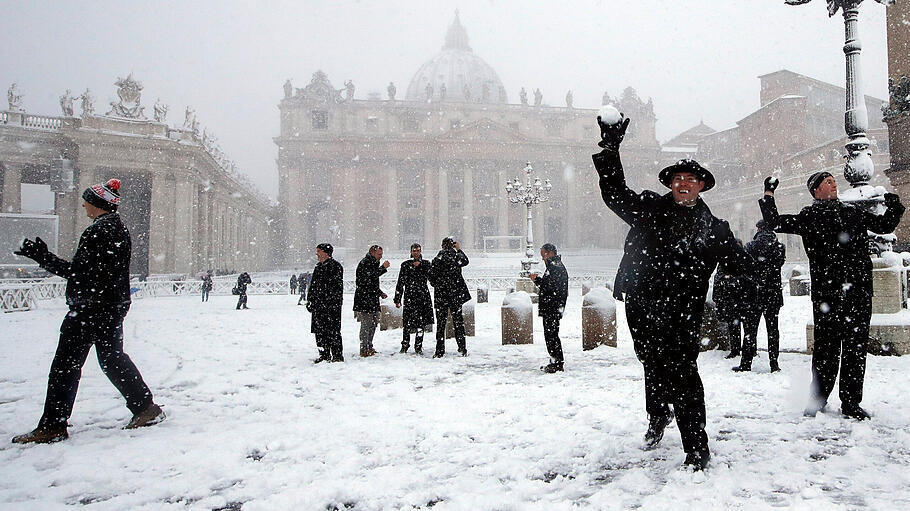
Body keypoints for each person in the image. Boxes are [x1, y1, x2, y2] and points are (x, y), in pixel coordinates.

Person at [594, 113, 752, 471]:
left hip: (683, 313)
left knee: (683, 374)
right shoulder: (650, 210)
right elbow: (616, 195)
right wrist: (609, 149)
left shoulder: (714, 229)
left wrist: (745, 277)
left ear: (700, 186)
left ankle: (696, 447)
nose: (683, 184)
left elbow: (739, 266)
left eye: (690, 180)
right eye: (678, 179)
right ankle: (657, 414)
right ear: (671, 185)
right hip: (643, 306)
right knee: (651, 364)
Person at [11, 178, 164, 444]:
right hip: (111, 305)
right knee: (112, 359)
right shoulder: (118, 228)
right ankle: (145, 407)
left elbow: (79, 273)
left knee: (65, 366)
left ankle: (53, 425)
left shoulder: (98, 231)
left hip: (90, 308)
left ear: (96, 204)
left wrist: (43, 257)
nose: (83, 205)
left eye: (86, 201)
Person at [760, 171, 904, 419]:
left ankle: (851, 402)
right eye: (827, 182)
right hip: (827, 294)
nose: (834, 184)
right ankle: (818, 399)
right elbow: (774, 222)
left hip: (857, 291)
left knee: (855, 350)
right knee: (826, 350)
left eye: (834, 181)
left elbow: (884, 226)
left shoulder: (852, 212)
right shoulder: (809, 216)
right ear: (815, 190)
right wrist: (769, 193)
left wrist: (894, 205)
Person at [740, 220, 786, 373]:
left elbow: (744, 266)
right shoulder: (780, 247)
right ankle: (774, 363)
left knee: (750, 330)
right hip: (773, 294)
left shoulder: (751, 246)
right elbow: (778, 265)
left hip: (755, 293)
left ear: (759, 229)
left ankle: (746, 362)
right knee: (773, 330)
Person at [427, 237, 471, 358]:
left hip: (441, 295)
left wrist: (437, 284)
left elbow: (430, 275)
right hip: (455, 295)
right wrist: (459, 249)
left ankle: (439, 350)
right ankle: (462, 348)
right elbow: (466, 261)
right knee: (458, 322)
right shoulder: (456, 256)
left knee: (441, 324)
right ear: (452, 245)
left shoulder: (437, 259)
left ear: (442, 246)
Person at [529, 243, 569, 373]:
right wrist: (538, 281)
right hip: (552, 307)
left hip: (552, 307)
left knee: (551, 335)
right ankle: (555, 361)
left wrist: (538, 281)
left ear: (551, 253)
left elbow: (551, 289)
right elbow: (550, 286)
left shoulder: (555, 267)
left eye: (543, 255)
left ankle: (557, 363)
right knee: (551, 335)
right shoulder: (553, 266)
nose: (542, 258)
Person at [712, 252, 757, 365]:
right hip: (739, 300)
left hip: (736, 300)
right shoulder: (744, 261)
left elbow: (719, 280)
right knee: (740, 327)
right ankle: (742, 349)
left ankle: (740, 350)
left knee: (738, 327)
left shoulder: (727, 262)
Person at [307, 243, 344, 363]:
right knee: (319, 331)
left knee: (333, 331)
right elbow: (313, 286)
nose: (317, 253)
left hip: (331, 306)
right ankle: (324, 353)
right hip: (319, 306)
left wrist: (330, 301)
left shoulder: (335, 267)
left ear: (326, 252)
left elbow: (336, 288)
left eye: (319, 251)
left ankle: (337, 355)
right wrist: (310, 300)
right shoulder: (318, 267)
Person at [394, 243, 434, 355]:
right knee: (407, 323)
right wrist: (397, 298)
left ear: (420, 251)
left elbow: (431, 278)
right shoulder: (405, 265)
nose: (416, 252)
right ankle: (405, 344)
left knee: (420, 323)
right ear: (411, 252)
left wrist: (421, 266)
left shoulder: (426, 264)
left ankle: (418, 345)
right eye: (414, 250)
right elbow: (400, 282)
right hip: (410, 296)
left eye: (418, 250)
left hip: (422, 296)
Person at [353, 245, 390, 357]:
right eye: (379, 254)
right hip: (365, 299)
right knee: (367, 324)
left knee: (373, 323)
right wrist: (383, 268)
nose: (381, 256)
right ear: (372, 252)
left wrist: (380, 293)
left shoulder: (372, 263)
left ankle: (369, 345)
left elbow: (371, 282)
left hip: (371, 298)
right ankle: (364, 347)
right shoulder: (365, 263)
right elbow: (368, 279)